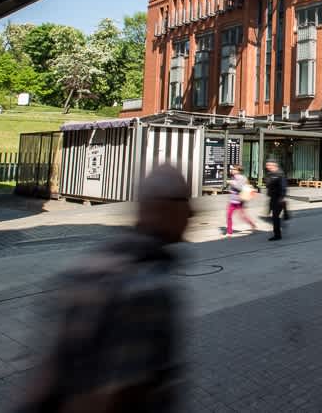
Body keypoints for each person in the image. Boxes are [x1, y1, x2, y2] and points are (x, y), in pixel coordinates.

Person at [15, 165, 191, 412]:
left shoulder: (96, 262)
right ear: (163, 207)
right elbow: (118, 394)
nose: (192, 211)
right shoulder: (145, 285)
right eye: (185, 201)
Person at [226, 165, 258, 237]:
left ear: (238, 171)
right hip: (232, 200)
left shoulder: (242, 178)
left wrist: (231, 183)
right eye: (232, 169)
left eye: (234, 169)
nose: (232, 170)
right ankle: (229, 232)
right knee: (229, 215)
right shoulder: (233, 177)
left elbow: (240, 188)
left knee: (242, 216)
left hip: (239, 200)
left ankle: (252, 224)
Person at [264, 160, 287, 241]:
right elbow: (268, 184)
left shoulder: (280, 174)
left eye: (269, 165)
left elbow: (283, 187)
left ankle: (277, 235)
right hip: (272, 198)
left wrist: (282, 197)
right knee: (272, 215)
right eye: (267, 165)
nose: (267, 167)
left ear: (274, 165)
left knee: (275, 217)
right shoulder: (270, 174)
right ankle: (285, 214)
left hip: (278, 198)